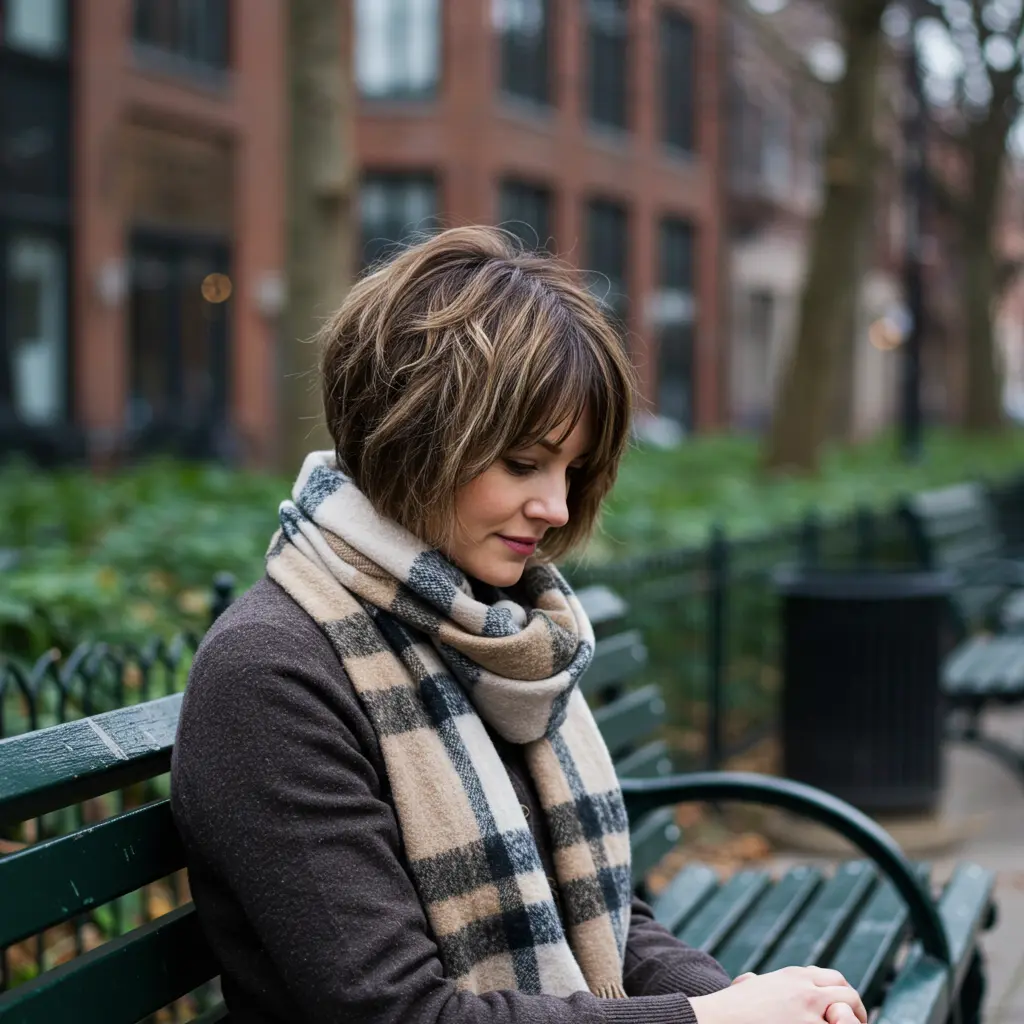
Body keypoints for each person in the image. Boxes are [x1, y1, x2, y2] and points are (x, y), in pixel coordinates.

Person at [170, 226, 868, 1024]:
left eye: (572, 470)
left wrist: (739, 998)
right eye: (523, 463)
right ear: (415, 432)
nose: (558, 508)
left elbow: (602, 919)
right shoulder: (273, 675)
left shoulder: (498, 635)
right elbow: (395, 1013)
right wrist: (709, 1022)